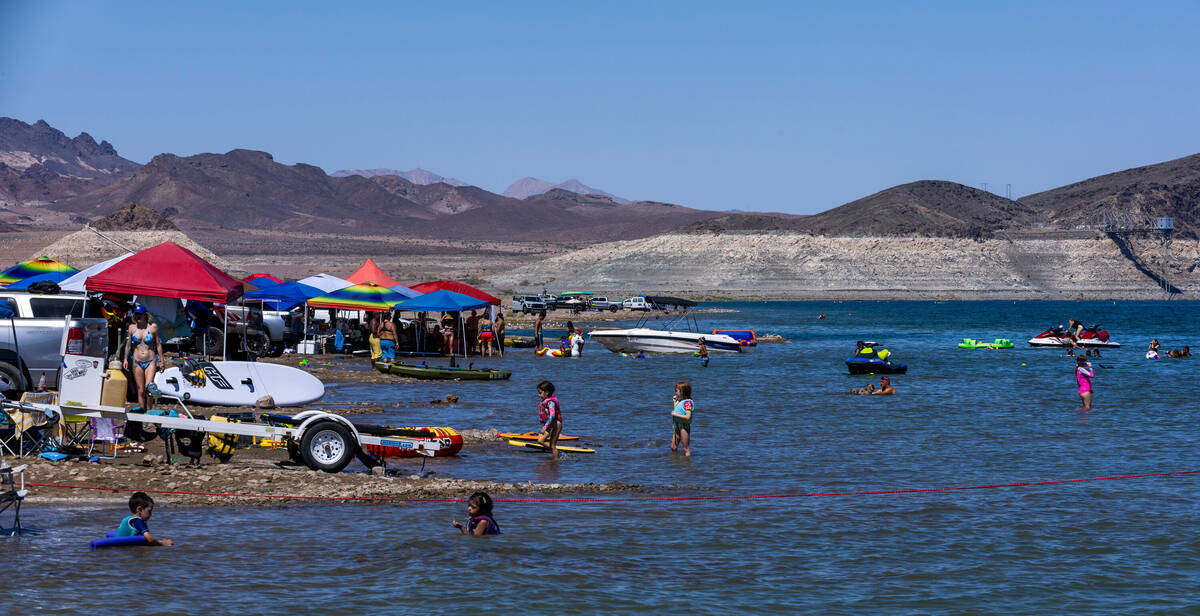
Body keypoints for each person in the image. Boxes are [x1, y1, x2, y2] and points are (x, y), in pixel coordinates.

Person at [123, 305, 162, 411]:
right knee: (140, 390)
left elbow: (158, 344)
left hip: (150, 360)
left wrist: (162, 361)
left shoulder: (152, 327)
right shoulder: (132, 327)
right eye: (136, 314)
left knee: (149, 389)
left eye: (140, 314)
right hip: (137, 361)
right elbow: (128, 344)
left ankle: (149, 412)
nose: (138, 316)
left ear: (145, 315)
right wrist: (125, 359)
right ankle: (141, 413)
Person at [536, 380, 562, 460]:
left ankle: (555, 461)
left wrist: (545, 426)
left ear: (546, 392)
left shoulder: (551, 403)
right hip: (551, 424)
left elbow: (552, 415)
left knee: (552, 445)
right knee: (540, 440)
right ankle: (557, 453)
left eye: (540, 393)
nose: (538, 395)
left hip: (556, 424)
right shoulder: (546, 403)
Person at [671, 381, 693, 456]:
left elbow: (688, 417)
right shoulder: (679, 401)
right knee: (673, 447)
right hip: (676, 425)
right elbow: (678, 409)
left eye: (677, 390)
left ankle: (686, 464)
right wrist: (674, 402)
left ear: (683, 392)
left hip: (684, 427)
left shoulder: (687, 403)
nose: (675, 392)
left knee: (685, 448)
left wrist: (676, 415)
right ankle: (675, 462)